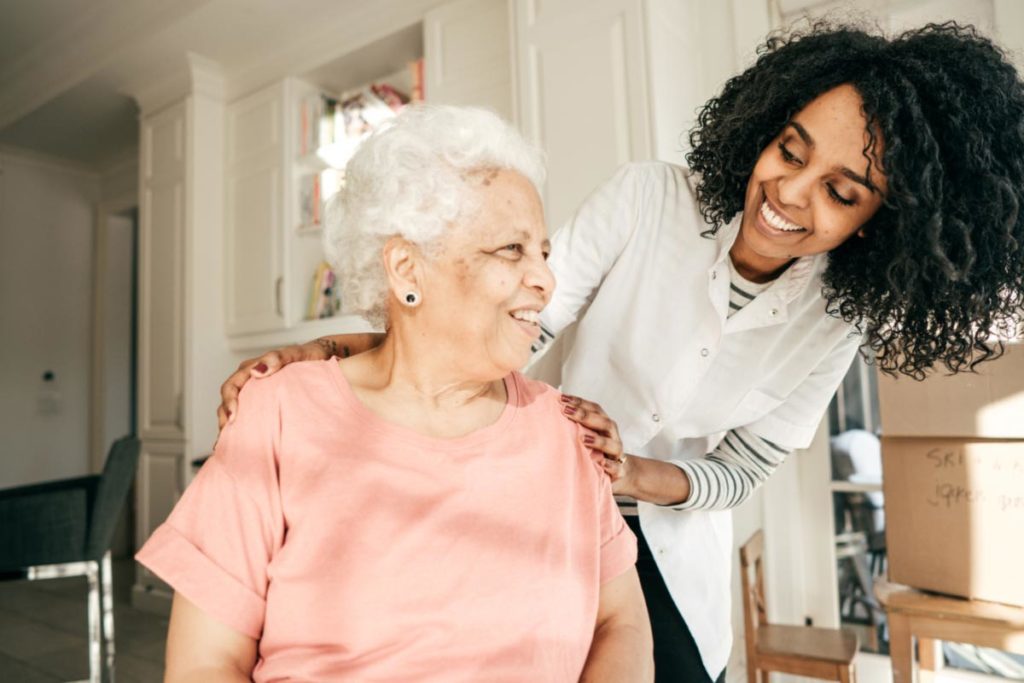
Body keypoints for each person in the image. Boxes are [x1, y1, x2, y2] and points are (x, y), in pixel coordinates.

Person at [217, 21, 1024, 683]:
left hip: (668, 545)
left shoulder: (833, 322)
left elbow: (746, 468)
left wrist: (633, 471)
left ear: (882, 223)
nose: (787, 193)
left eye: (841, 192)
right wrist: (343, 350)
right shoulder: (648, 201)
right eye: (789, 150)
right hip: (542, 501)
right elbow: (514, 315)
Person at [138, 105, 654, 682]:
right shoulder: (277, 413)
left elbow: (622, 624)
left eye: (544, 252)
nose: (546, 279)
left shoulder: (568, 431)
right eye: (512, 249)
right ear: (407, 270)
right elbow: (205, 665)